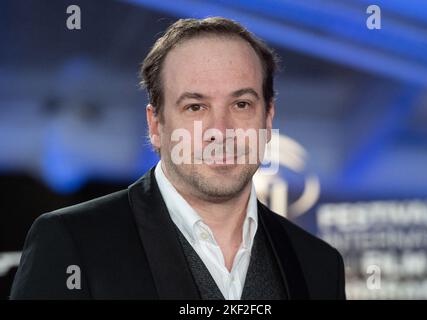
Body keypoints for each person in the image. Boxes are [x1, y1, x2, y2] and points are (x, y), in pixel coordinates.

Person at [10, 17, 345, 300]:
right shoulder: (72, 242)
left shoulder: (317, 264)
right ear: (156, 125)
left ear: (268, 119)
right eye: (195, 107)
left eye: (241, 104)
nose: (220, 130)